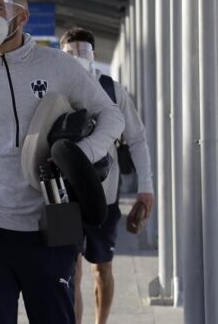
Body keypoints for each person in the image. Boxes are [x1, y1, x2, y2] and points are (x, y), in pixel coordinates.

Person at [0, 0, 125, 323]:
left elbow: (111, 115)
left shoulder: (59, 66)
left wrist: (78, 157)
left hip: (51, 224)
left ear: (21, 16)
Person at [60, 27, 155, 324]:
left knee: (102, 268)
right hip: (63, 198)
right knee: (70, 273)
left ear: (94, 56)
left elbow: (137, 139)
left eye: (83, 52)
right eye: (70, 54)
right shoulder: (53, 89)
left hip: (105, 195)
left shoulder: (112, 90)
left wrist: (146, 188)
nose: (77, 58)